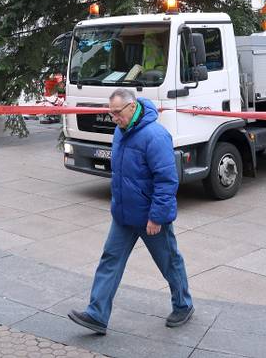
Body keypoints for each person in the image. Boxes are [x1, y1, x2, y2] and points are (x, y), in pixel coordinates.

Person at [68, 88, 193, 335]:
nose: (113, 117)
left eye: (117, 112)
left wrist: (157, 216)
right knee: (110, 260)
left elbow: (166, 180)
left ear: (132, 107)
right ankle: (97, 314)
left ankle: (183, 305)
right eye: (110, 112)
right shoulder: (120, 131)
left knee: (170, 262)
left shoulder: (155, 136)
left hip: (150, 217)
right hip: (124, 215)